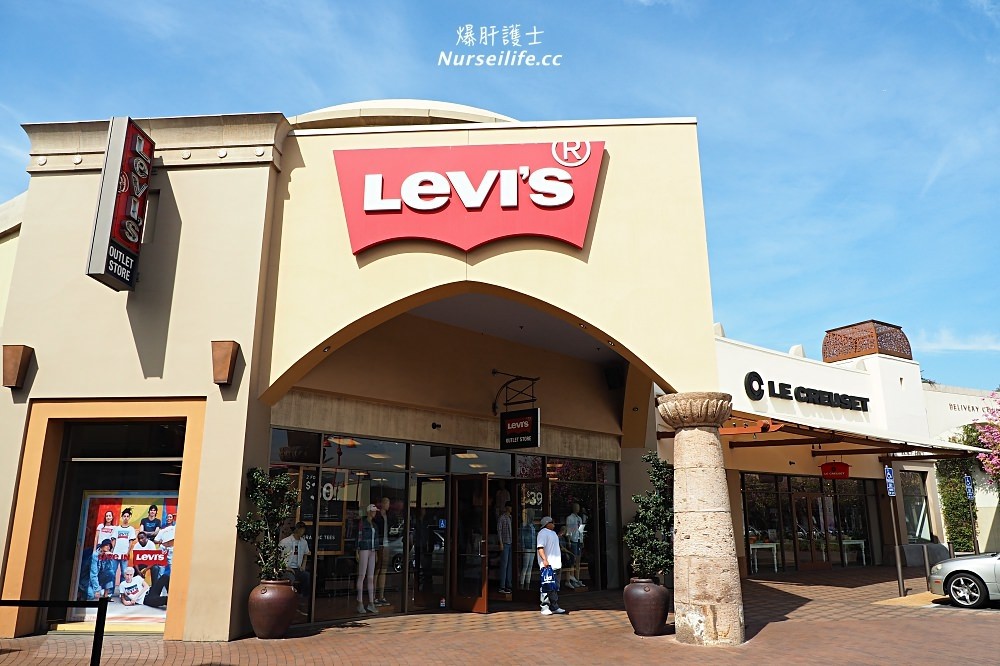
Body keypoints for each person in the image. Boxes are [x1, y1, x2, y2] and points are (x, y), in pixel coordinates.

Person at [536, 516, 566, 615]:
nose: (554, 523)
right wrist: (544, 560)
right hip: (548, 564)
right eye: (552, 522)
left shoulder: (553, 533)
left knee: (554, 586)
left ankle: (554, 606)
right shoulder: (542, 533)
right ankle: (544, 607)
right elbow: (540, 547)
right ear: (547, 523)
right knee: (546, 585)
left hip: (556, 564)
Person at [356, 503, 381, 614]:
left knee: (370, 577)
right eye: (373, 511)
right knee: (362, 575)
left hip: (372, 550)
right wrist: (357, 550)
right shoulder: (363, 523)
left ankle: (371, 602)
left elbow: (376, 539)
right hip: (364, 549)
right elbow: (359, 537)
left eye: (375, 511)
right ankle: (360, 602)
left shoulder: (374, 525)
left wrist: (376, 552)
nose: (374, 513)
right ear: (369, 512)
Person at [279, 521, 312, 597]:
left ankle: (304, 596)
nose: (301, 531)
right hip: (287, 568)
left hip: (297, 568)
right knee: (290, 578)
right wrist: (285, 567)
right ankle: (289, 596)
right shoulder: (285, 542)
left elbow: (306, 554)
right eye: (300, 529)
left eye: (303, 530)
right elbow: (279, 556)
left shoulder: (304, 542)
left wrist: (303, 566)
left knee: (307, 576)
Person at [111, 508, 137, 593]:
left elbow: (131, 542)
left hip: (124, 554)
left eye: (127, 516)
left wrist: (127, 552)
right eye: (124, 516)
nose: (126, 518)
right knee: (112, 572)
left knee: (124, 573)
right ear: (122, 517)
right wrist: (113, 550)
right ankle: (110, 592)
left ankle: (122, 592)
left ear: (129, 518)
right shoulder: (117, 528)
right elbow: (113, 540)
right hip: (115, 554)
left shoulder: (131, 529)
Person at [373, 496, 392, 607]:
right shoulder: (377, 516)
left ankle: (381, 595)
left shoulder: (388, 516)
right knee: (377, 570)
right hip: (379, 544)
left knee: (383, 570)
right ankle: (373, 596)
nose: (388, 505)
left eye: (388, 503)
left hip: (386, 543)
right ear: (383, 504)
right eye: (387, 503)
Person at [565, 502, 585, 588]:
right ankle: (572, 579)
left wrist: (582, 540)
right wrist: (569, 540)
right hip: (573, 540)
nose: (578, 509)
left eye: (578, 507)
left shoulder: (579, 518)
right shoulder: (569, 518)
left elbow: (581, 530)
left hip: (579, 540)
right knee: (573, 560)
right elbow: (568, 530)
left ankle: (577, 578)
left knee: (578, 561)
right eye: (576, 507)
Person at [497, 502, 513, 594]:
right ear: (507, 507)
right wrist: (501, 543)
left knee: (509, 565)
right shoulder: (502, 518)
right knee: (504, 565)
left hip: (511, 543)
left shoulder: (511, 518)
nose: (511, 509)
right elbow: (499, 530)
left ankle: (508, 585)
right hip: (505, 542)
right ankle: (502, 586)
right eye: (510, 507)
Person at [519, 508, 537, 588]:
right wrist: (523, 546)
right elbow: (522, 536)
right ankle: (522, 585)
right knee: (525, 566)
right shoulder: (524, 524)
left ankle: (527, 585)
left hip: (533, 546)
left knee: (530, 566)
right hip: (527, 547)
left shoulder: (533, 524)